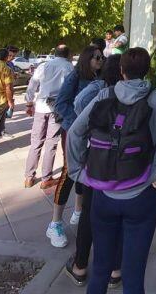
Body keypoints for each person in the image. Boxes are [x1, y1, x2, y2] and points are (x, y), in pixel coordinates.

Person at [67, 47, 156, 294]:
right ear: (148, 70)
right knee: (133, 274)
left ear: (121, 71)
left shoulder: (105, 94)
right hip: (143, 193)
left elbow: (76, 132)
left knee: (99, 269)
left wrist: (78, 172)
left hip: (103, 194)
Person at [65, 54, 124, 287]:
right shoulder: (137, 97)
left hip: (96, 163)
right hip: (123, 167)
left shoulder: (99, 94)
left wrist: (76, 166)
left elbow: (78, 108)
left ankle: (80, 266)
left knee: (89, 215)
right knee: (119, 217)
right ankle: (115, 270)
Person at [46, 45, 104, 248]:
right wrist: (76, 124)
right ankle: (55, 222)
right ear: (87, 58)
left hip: (92, 133)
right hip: (73, 131)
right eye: (96, 57)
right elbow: (61, 103)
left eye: (101, 57)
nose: (99, 60)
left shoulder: (100, 79)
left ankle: (78, 211)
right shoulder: (75, 76)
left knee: (84, 170)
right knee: (69, 171)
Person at [24, 44, 75, 190]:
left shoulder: (43, 66)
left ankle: (29, 176)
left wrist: (29, 103)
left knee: (36, 141)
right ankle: (46, 178)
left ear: (55, 53)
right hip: (57, 108)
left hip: (40, 106)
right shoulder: (68, 67)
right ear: (67, 54)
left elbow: (32, 85)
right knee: (51, 142)